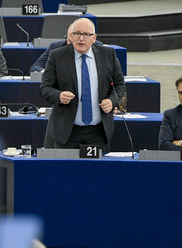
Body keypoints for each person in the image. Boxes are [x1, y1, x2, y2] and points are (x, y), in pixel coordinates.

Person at [40, 17, 126, 151]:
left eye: (86, 34)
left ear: (94, 37)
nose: (81, 38)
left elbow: (120, 85)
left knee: (97, 171)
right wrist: (59, 95)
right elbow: (45, 88)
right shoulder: (57, 56)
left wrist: (112, 100)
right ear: (71, 36)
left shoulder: (108, 54)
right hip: (67, 132)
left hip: (99, 132)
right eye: (77, 34)